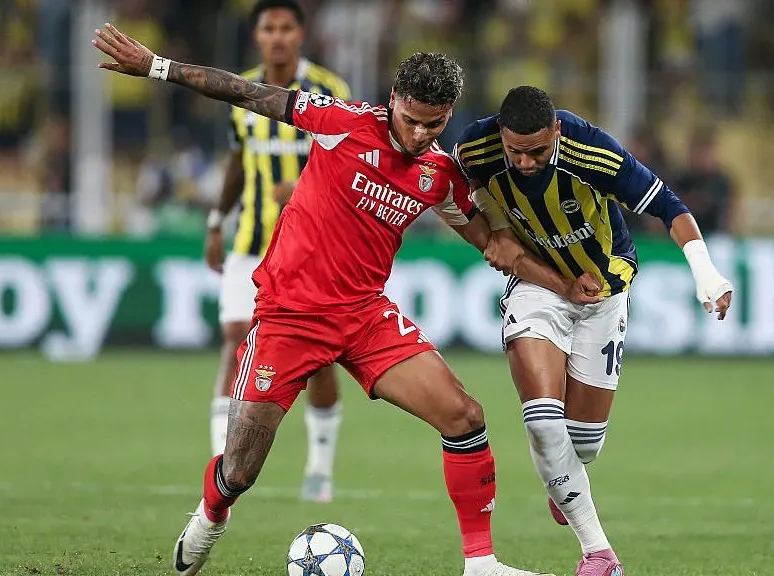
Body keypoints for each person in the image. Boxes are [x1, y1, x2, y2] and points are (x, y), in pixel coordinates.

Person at [93, 23, 594, 576]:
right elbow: (242, 91)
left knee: (465, 416)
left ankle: (481, 563)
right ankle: (213, 512)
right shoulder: (340, 124)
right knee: (239, 470)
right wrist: (158, 67)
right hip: (290, 315)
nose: (422, 135)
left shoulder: (438, 175)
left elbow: (492, 241)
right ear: (392, 102)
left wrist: (564, 282)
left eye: (435, 125)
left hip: (364, 316)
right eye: (412, 120)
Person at [455, 86, 734, 576]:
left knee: (582, 445)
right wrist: (495, 226)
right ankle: (599, 554)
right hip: (537, 284)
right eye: (515, 151)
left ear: (557, 132)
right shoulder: (475, 146)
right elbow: (456, 184)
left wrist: (706, 273)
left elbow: (670, 205)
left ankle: (566, 482)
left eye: (538, 151)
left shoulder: (592, 150)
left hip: (603, 290)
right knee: (542, 420)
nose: (524, 163)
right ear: (501, 135)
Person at [202, 0, 351, 504]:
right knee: (234, 338)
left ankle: (319, 469)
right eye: (269, 28)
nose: (279, 37)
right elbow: (238, 160)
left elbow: (349, 164)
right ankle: (220, 467)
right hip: (249, 240)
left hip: (311, 246)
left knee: (318, 357)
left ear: (301, 34)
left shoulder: (331, 92)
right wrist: (215, 223)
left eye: (287, 28)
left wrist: (307, 187)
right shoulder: (240, 91)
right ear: (257, 37)